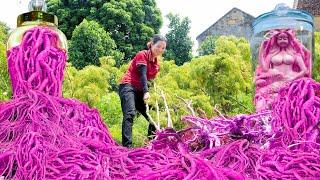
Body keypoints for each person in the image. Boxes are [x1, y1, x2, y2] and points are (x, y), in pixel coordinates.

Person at [119, 34, 167, 148]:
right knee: (130, 114)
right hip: (128, 86)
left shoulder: (156, 65)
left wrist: (155, 95)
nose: (160, 50)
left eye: (163, 48)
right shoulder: (142, 54)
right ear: (152, 44)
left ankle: (150, 145)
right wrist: (146, 92)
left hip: (141, 91)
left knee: (154, 115)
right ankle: (127, 147)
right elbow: (143, 75)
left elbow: (150, 81)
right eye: (158, 46)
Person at [254, 29, 311, 111]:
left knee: (290, 100)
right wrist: (262, 47)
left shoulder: (294, 54)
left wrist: (293, 78)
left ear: (289, 39)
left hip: (292, 82)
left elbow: (304, 70)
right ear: (276, 40)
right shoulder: (271, 54)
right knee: (262, 96)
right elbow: (264, 68)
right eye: (280, 38)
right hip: (276, 82)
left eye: (285, 38)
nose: (282, 40)